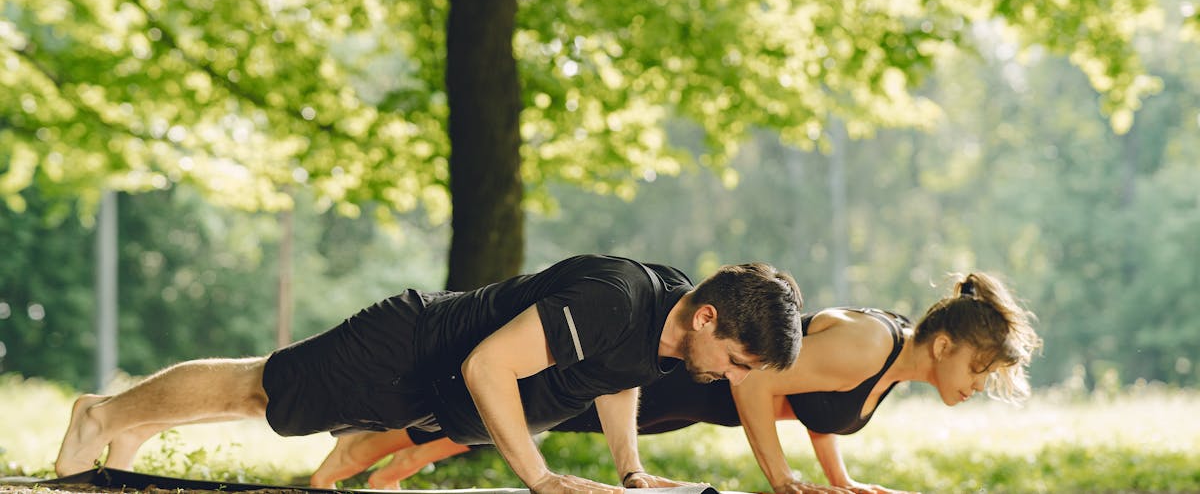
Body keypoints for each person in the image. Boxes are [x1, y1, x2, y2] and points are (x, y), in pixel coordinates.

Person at [54, 254, 804, 494]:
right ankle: (103, 415)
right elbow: (489, 367)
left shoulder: (668, 325)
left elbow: (616, 377)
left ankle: (130, 425)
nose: (735, 379)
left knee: (264, 400)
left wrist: (630, 469)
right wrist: (541, 479)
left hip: (428, 391)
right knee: (260, 390)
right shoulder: (617, 299)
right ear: (707, 318)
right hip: (407, 348)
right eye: (738, 362)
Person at [310, 272, 1040, 494]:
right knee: (530, 406)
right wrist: (782, 482)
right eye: (980, 369)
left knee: (534, 413)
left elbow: (819, 407)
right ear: (945, 344)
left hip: (681, 405)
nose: (979, 385)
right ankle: (368, 446)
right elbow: (755, 386)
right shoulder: (871, 343)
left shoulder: (889, 360)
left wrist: (838, 481)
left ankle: (390, 461)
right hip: (674, 382)